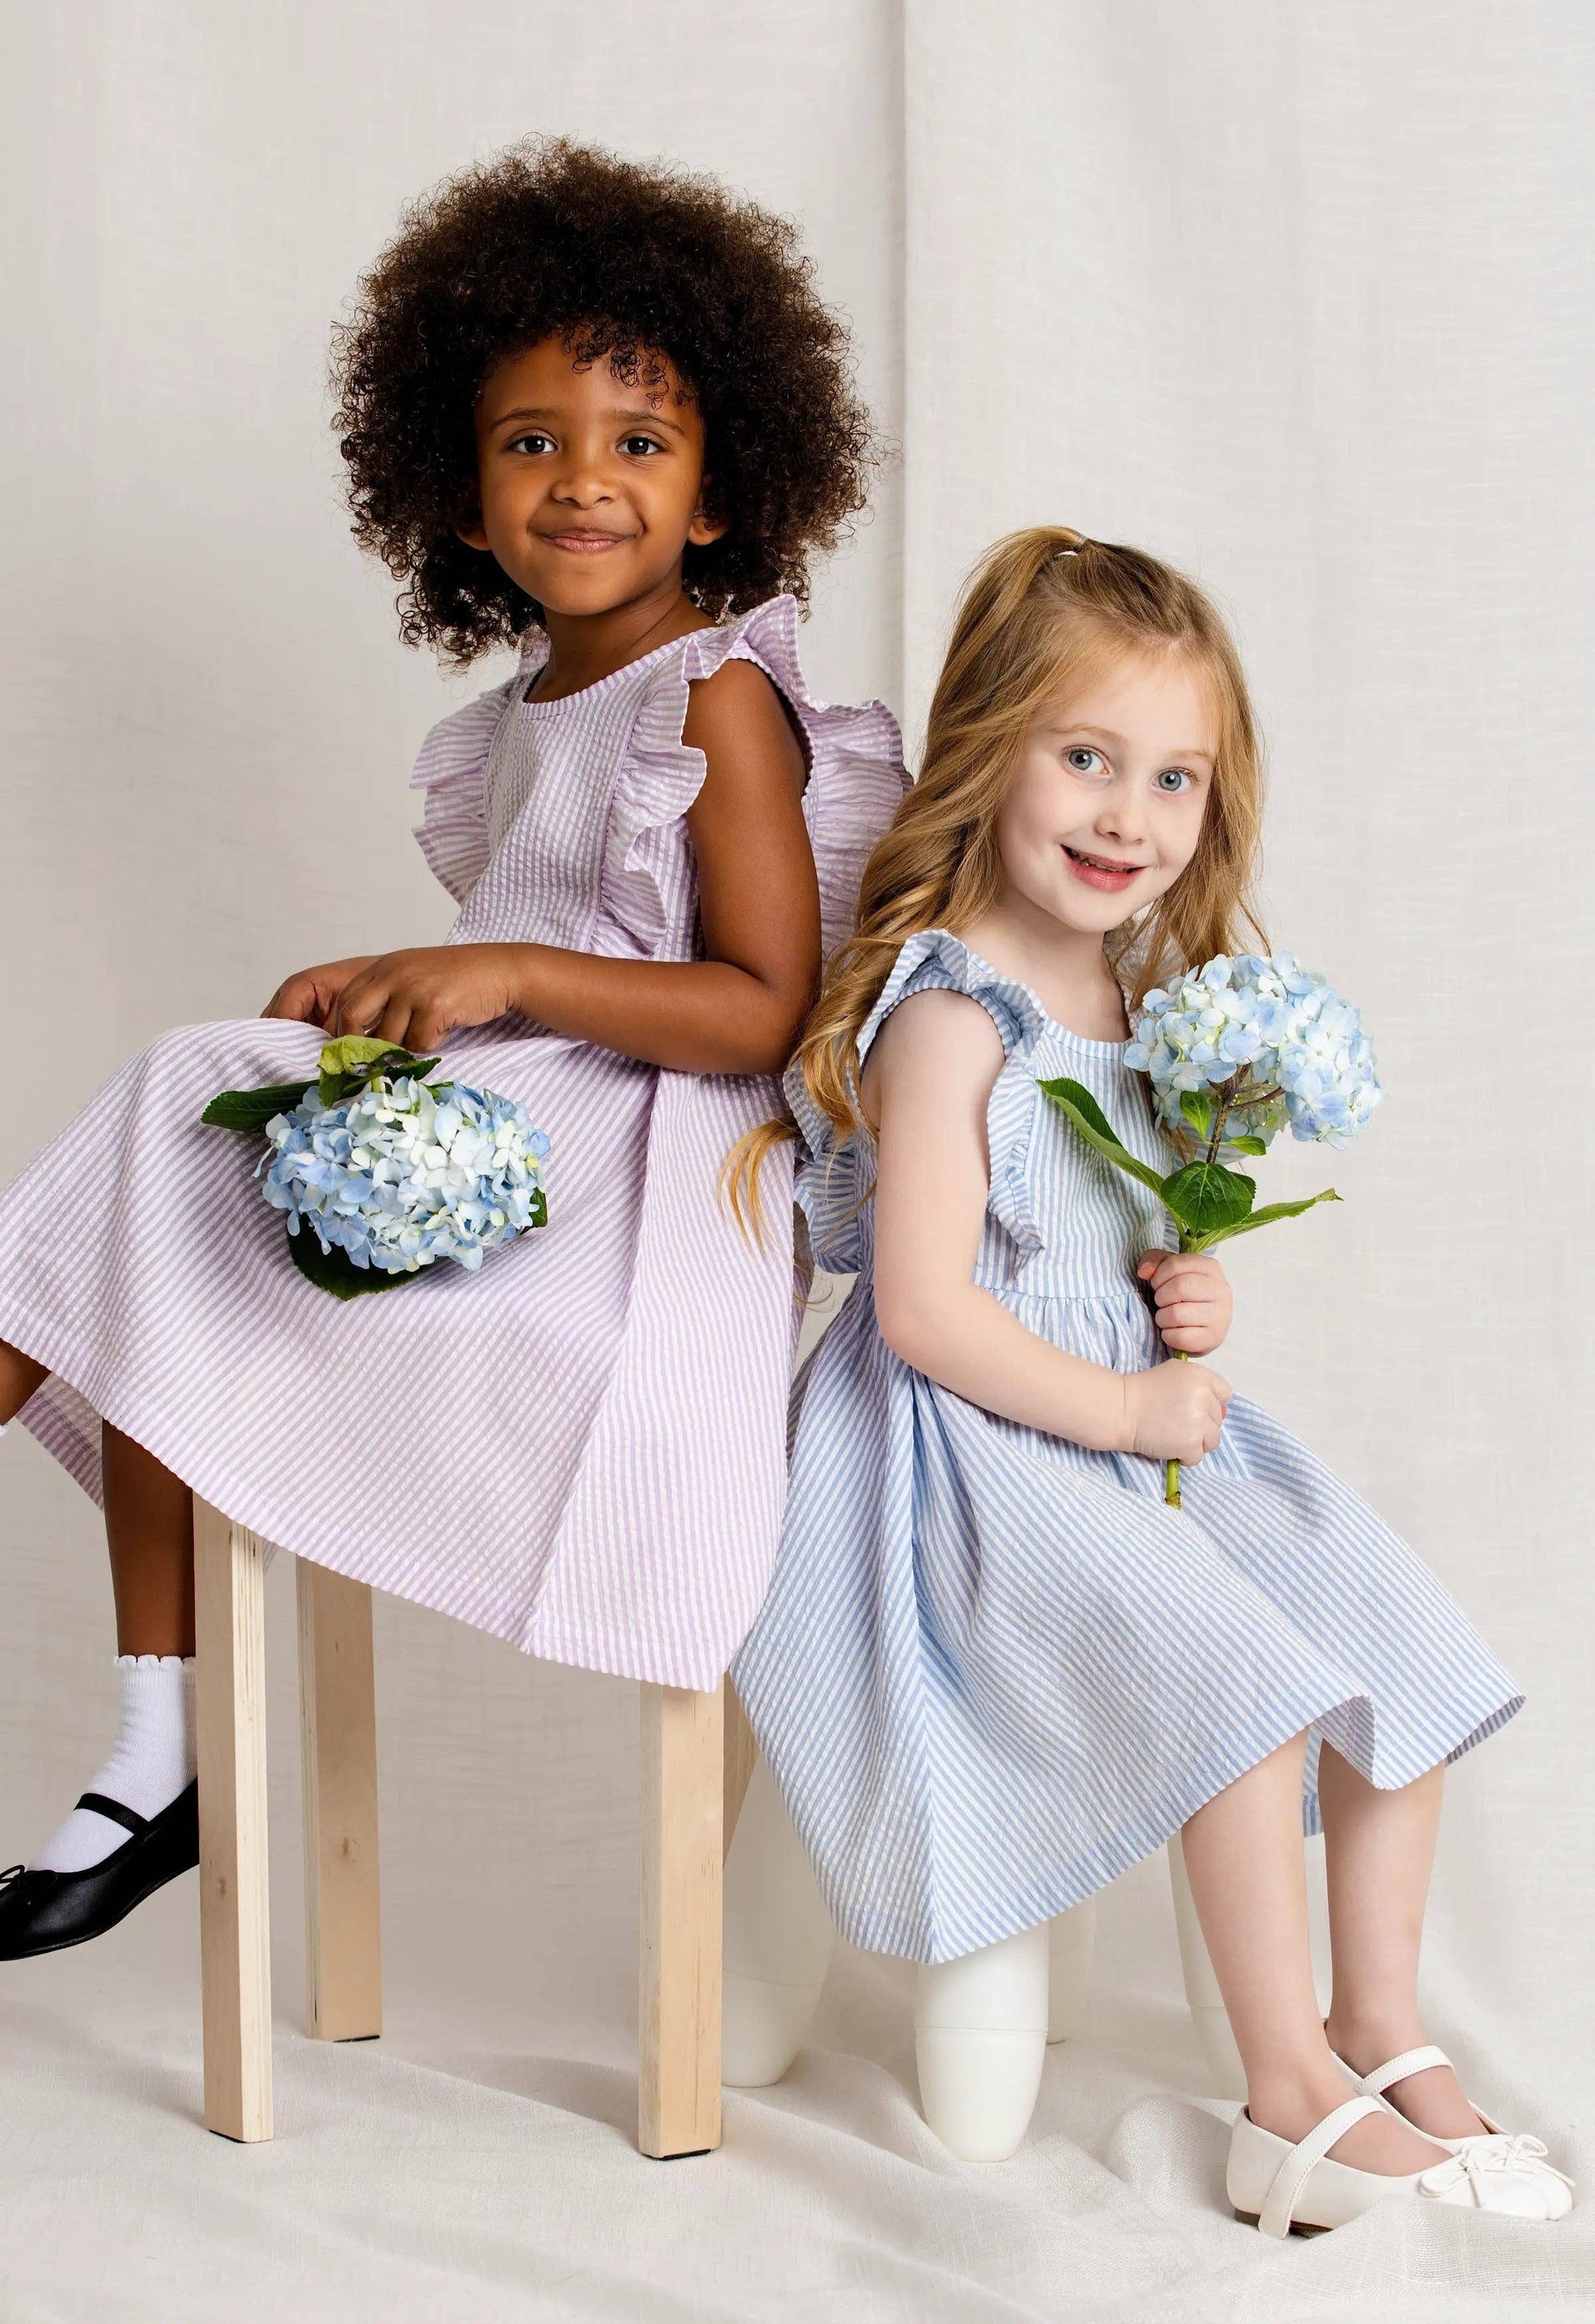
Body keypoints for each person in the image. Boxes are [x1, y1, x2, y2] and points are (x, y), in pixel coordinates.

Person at [0, 138, 906, 1962]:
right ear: (461, 496)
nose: (585, 481)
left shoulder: (716, 695)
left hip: (646, 1192)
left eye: (639, 443)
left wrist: (493, 969)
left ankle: (160, 1753)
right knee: (157, 1213)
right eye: (531, 442)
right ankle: (159, 1736)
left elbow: (761, 1004)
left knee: (171, 1115)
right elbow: (521, 951)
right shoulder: (515, 718)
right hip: (525, 1134)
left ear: (724, 491)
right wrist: (390, 984)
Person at [726, 527, 1571, 2233]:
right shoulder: (951, 1015)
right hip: (965, 1454)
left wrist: (1178, 1291)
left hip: (1125, 1427)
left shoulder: (1139, 999)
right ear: (990, 748)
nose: (1130, 815)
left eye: (1172, 776)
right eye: (1087, 757)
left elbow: (1096, 1239)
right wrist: (1117, 1406)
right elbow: (921, 1311)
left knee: (1384, 1637)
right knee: (1241, 1680)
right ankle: (1280, 2097)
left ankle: (1375, 2023)